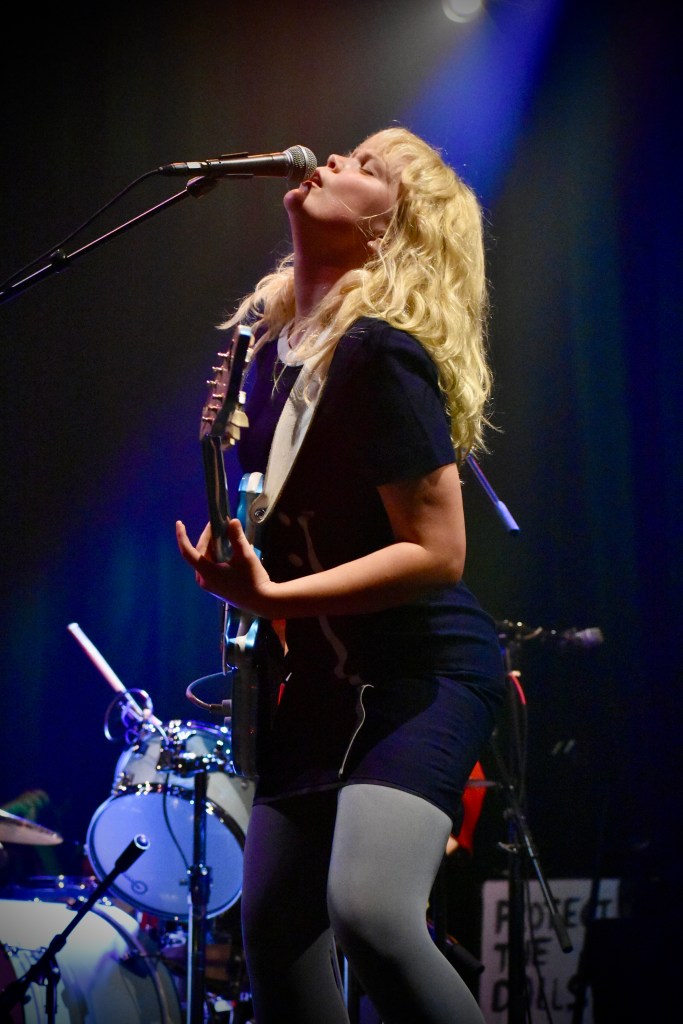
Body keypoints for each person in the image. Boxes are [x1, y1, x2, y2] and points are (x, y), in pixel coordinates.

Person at [176, 126, 505, 1024]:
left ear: (387, 233)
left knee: (370, 916)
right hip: (322, 688)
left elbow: (438, 552)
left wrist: (272, 595)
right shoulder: (270, 349)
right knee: (275, 953)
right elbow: (287, 519)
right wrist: (239, 551)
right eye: (349, 152)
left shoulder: (376, 352)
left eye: (367, 169)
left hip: (419, 675)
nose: (326, 161)